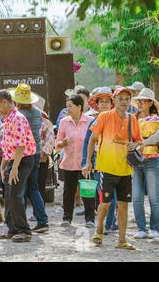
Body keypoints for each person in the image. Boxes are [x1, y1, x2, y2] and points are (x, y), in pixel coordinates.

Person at [83, 87, 142, 250]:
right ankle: (99, 229)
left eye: (127, 99)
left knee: (123, 205)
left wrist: (134, 144)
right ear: (114, 101)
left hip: (126, 169)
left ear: (130, 101)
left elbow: (138, 140)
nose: (124, 101)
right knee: (105, 203)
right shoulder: (104, 117)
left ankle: (122, 240)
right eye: (120, 98)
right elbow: (92, 139)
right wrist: (88, 162)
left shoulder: (132, 119)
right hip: (106, 168)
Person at [0, 89, 37, 243]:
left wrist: (14, 168)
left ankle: (24, 230)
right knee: (8, 195)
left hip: (22, 160)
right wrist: (3, 166)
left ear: (5, 102)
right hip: (12, 161)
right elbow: (8, 146)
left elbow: (20, 146)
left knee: (15, 195)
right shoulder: (7, 119)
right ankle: (13, 228)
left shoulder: (17, 118)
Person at [9, 84, 49, 233]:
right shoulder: (38, 112)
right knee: (33, 187)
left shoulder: (18, 114)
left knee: (20, 189)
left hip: (23, 155)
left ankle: (21, 222)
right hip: (36, 152)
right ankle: (42, 220)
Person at [81, 87, 118, 233]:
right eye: (101, 101)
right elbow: (87, 143)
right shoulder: (94, 122)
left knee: (112, 195)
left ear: (111, 103)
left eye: (106, 101)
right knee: (103, 195)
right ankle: (107, 223)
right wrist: (86, 161)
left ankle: (109, 223)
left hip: (115, 163)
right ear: (97, 104)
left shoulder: (117, 121)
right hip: (98, 163)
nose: (103, 104)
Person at [56, 94, 94, 227]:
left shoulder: (90, 121)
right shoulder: (64, 122)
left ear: (79, 107)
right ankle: (67, 218)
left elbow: (94, 141)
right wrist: (62, 143)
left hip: (85, 163)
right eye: (67, 107)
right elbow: (58, 142)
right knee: (68, 192)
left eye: (70, 106)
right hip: (69, 162)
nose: (68, 109)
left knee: (87, 191)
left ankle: (90, 219)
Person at [132, 88, 159, 239]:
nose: (140, 103)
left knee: (154, 197)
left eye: (143, 101)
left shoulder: (156, 119)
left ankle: (155, 227)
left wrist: (142, 142)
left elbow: (157, 137)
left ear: (150, 103)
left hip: (153, 160)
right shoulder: (131, 119)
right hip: (135, 161)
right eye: (138, 101)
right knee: (136, 197)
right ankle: (141, 228)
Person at [34, 97, 55, 203]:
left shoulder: (46, 123)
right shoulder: (26, 120)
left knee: (40, 184)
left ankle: (38, 210)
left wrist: (44, 152)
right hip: (28, 157)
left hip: (42, 158)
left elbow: (50, 140)